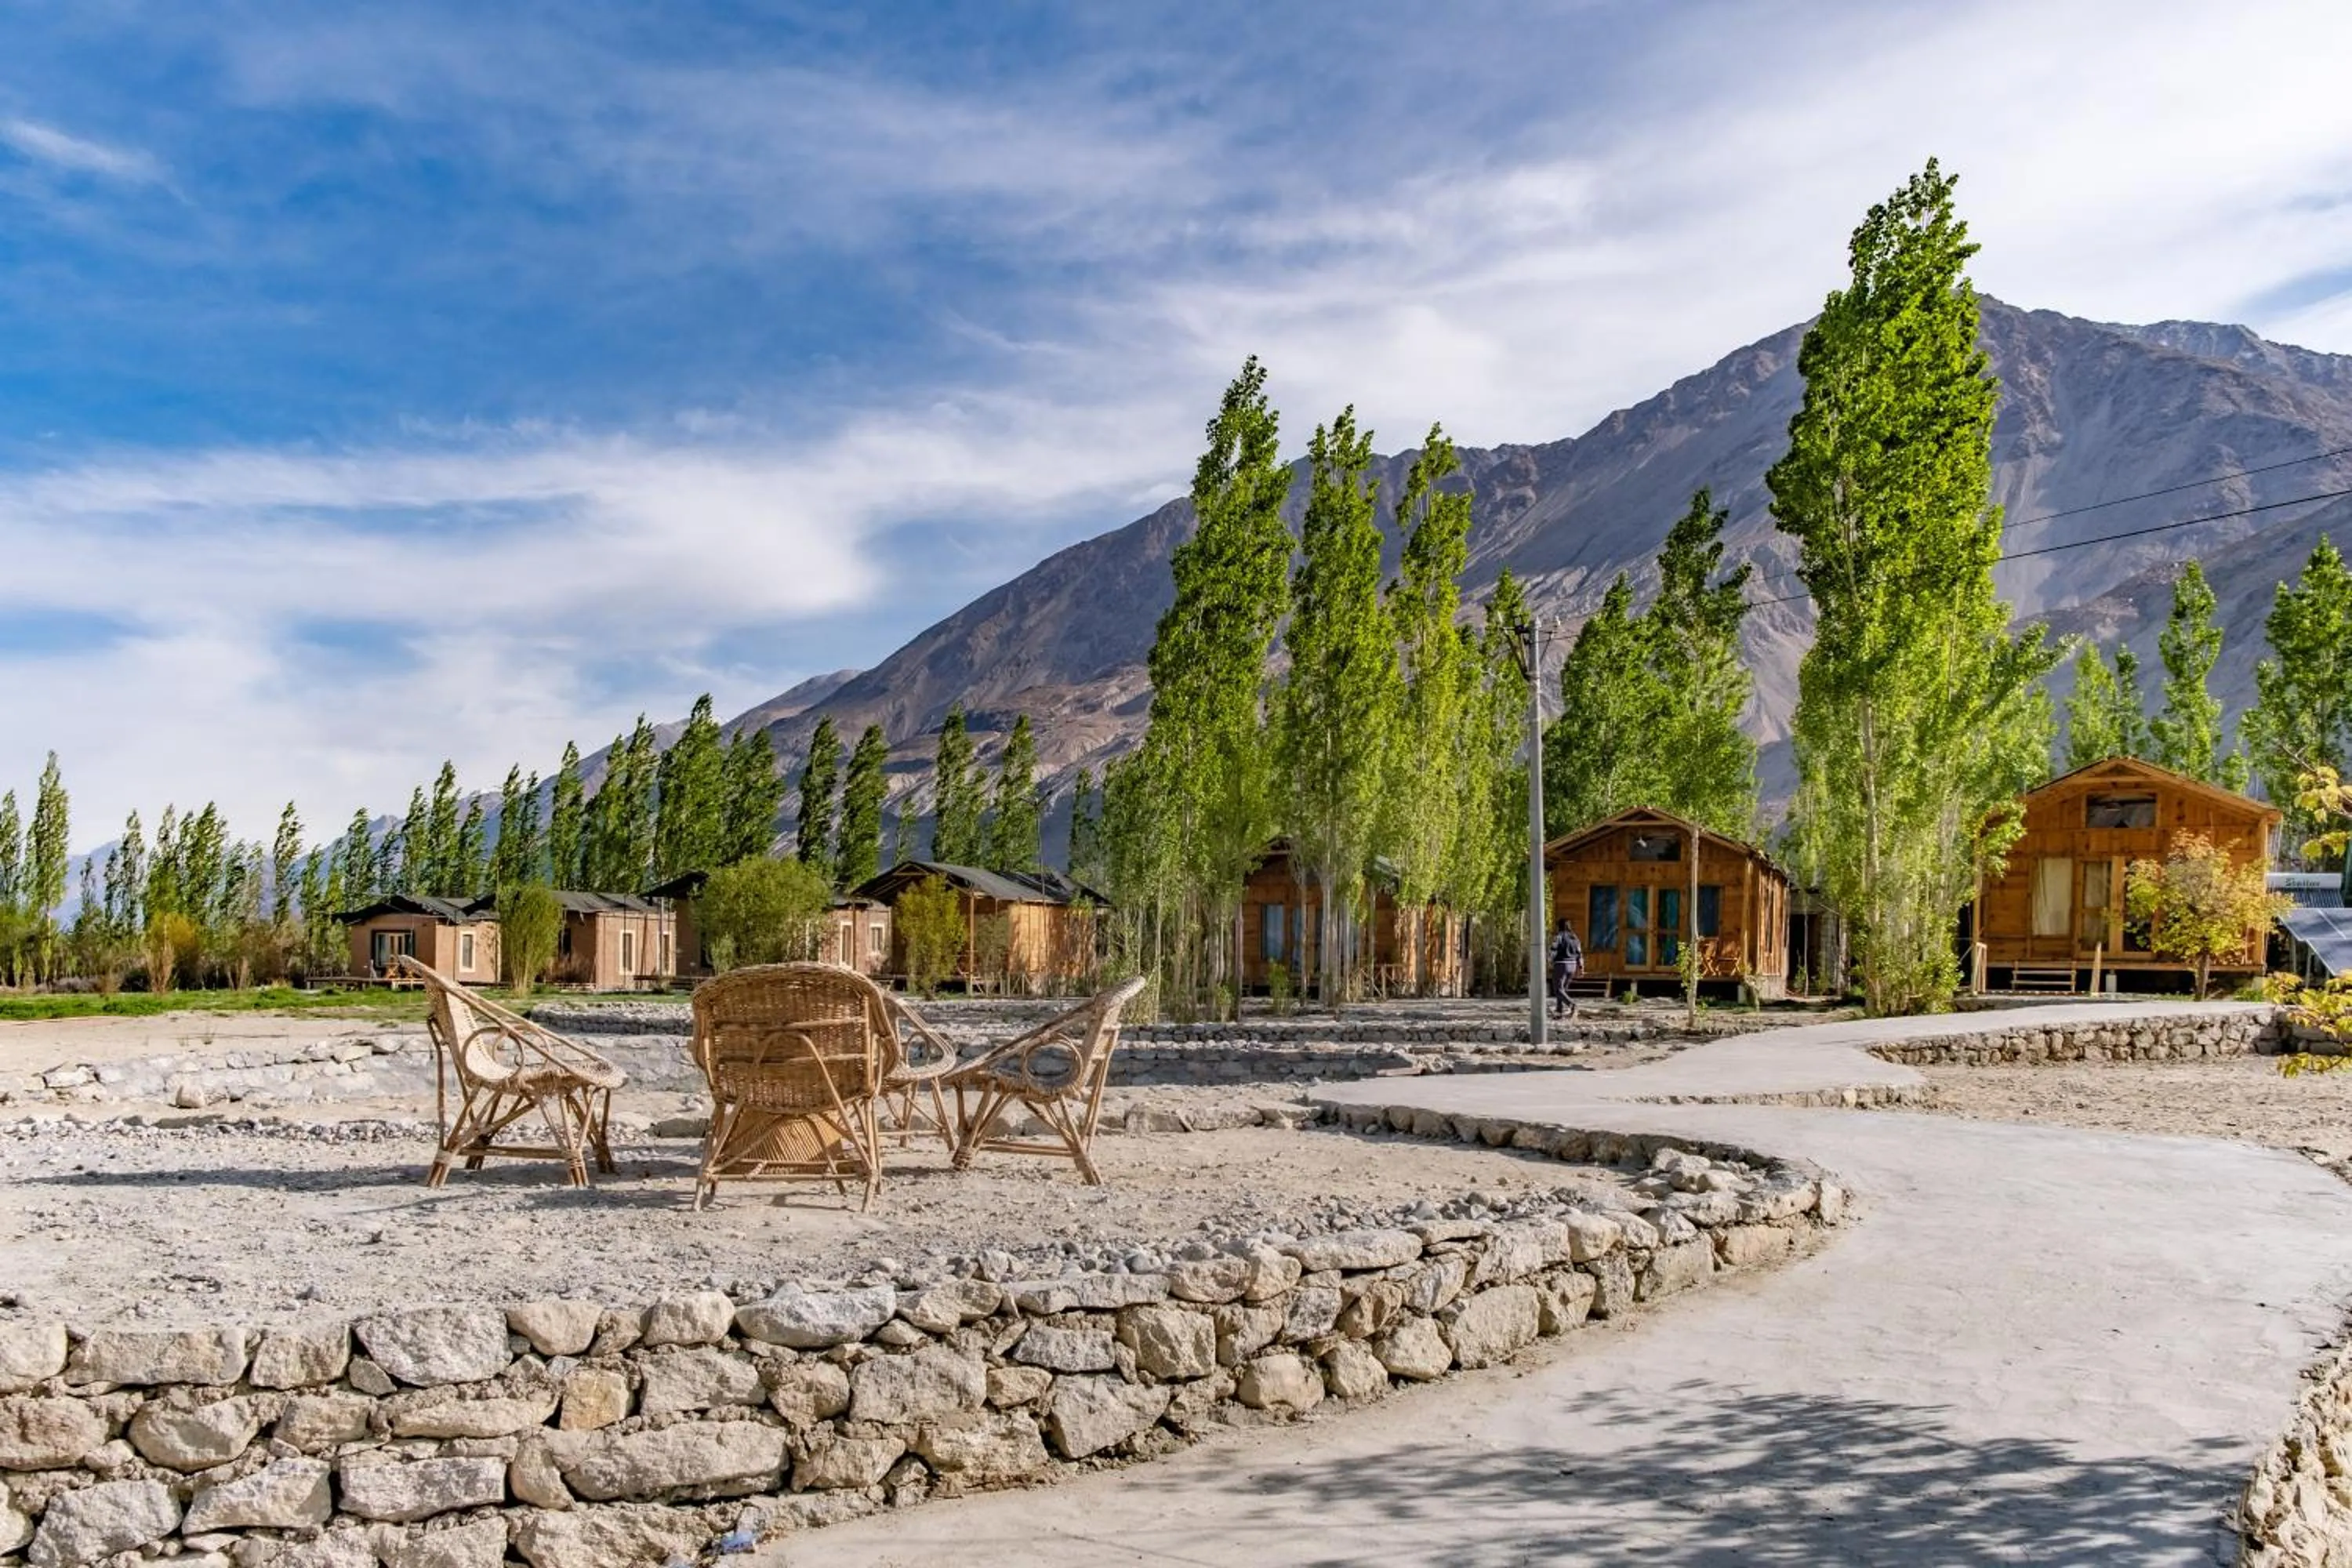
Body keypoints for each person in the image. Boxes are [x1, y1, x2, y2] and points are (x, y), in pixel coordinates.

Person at [1548, 917, 1584, 1019]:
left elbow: (1554, 949)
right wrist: (1581, 967)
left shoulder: (1559, 936)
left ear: (1559, 926)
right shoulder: (1575, 938)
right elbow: (1579, 953)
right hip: (1572, 966)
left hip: (1561, 965)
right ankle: (1559, 1011)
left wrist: (1549, 961)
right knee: (1563, 990)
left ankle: (1572, 1005)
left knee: (1558, 990)